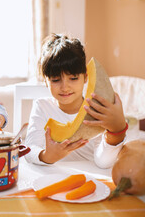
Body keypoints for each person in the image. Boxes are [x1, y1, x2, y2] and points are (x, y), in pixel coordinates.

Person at [24, 33, 128, 169]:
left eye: (73, 78)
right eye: (55, 80)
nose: (64, 87)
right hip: (52, 178)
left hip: (90, 178)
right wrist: (46, 156)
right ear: (45, 81)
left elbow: (103, 162)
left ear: (85, 77)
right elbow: (30, 149)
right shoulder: (42, 106)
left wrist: (117, 131)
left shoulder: (96, 110)